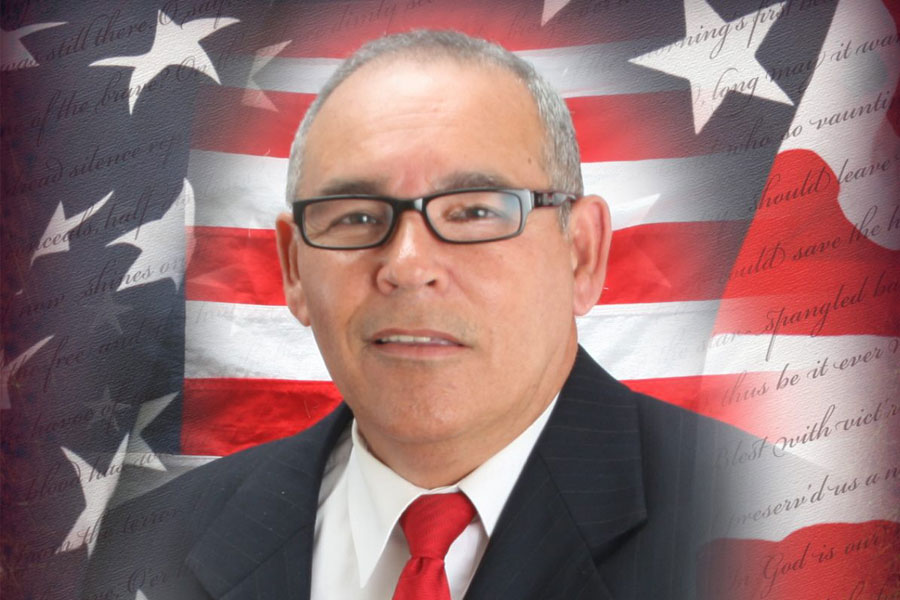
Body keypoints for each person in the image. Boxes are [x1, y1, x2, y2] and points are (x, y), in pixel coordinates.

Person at [85, 29, 752, 600]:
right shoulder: (143, 547)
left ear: (581, 255)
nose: (406, 265)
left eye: (474, 211)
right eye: (355, 217)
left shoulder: (769, 518)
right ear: (293, 268)